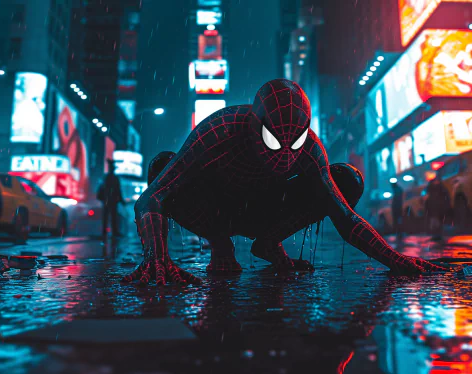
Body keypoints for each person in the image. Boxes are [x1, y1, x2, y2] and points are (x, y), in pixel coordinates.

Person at [123, 79, 446, 287]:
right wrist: (157, 256)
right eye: (276, 141)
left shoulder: (309, 147)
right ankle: (221, 244)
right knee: (163, 165)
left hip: (265, 208)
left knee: (345, 178)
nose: (286, 154)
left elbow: (342, 213)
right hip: (216, 207)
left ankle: (268, 241)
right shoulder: (219, 130)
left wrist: (395, 259)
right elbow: (153, 197)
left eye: (296, 140)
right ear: (254, 125)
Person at [97, 159, 124, 238]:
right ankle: (112, 232)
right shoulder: (113, 178)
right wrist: (121, 200)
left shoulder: (107, 177)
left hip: (107, 200)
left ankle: (105, 232)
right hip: (111, 200)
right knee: (112, 217)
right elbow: (118, 190)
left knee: (108, 216)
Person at [425, 176, 449, 241]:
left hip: (438, 210)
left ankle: (437, 236)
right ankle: (437, 236)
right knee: (435, 223)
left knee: (437, 223)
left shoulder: (433, 189)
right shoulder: (435, 189)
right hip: (434, 210)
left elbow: (446, 199)